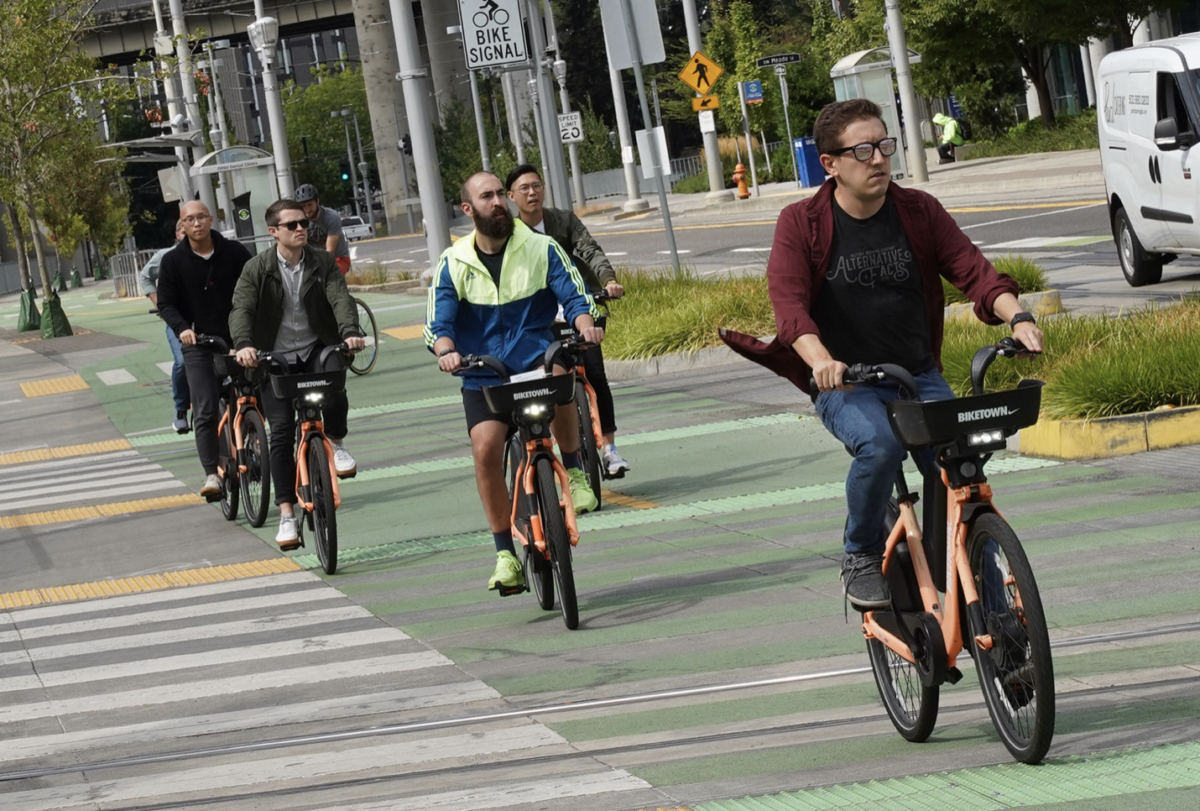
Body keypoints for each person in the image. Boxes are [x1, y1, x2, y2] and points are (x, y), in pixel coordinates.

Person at [722, 99, 1044, 611]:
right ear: (830, 164)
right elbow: (790, 310)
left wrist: (1017, 316)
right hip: (846, 384)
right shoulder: (801, 224)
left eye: (884, 145)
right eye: (863, 150)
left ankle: (999, 621)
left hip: (917, 376)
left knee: (959, 475)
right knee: (879, 444)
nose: (878, 159)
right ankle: (861, 552)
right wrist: (821, 360)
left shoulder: (918, 211)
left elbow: (974, 271)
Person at [425, 171, 603, 593]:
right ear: (468, 209)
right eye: (487, 196)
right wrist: (446, 350)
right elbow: (439, 322)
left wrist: (585, 323)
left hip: (534, 358)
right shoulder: (454, 262)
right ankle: (505, 553)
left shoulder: (541, 247)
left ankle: (575, 471)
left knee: (561, 372)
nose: (499, 201)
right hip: (484, 372)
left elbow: (575, 295)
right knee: (485, 448)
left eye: (501, 194)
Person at [229, 199, 364, 549]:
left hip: (316, 347)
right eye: (291, 225)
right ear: (273, 232)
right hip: (274, 356)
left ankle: (335, 439)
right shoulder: (257, 268)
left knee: (335, 385)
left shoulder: (322, 261)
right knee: (282, 434)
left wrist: (350, 331)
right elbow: (242, 307)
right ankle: (287, 514)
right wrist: (244, 344)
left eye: (303, 223)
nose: (301, 228)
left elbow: (339, 297)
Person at [505, 163, 632, 478]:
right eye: (525, 188)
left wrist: (608, 280)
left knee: (596, 374)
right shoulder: (510, 233)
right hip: (539, 315)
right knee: (537, 380)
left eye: (537, 185)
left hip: (580, 305)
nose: (532, 192)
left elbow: (589, 250)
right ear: (511, 196)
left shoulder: (563, 221)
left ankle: (610, 449)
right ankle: (541, 446)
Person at [156, 201, 254, 498]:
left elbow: (255, 287)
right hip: (199, 344)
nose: (196, 223)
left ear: (211, 219)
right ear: (181, 227)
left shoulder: (235, 253)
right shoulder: (173, 261)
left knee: (254, 397)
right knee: (206, 409)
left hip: (239, 340)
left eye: (201, 217)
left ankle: (256, 442)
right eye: (189, 219)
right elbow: (166, 304)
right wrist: (183, 328)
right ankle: (212, 474)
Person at [139, 221, 190, 433]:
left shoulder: (212, 252)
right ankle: (180, 409)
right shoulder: (165, 257)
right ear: (177, 234)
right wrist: (159, 303)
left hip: (207, 319)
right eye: (184, 232)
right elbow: (145, 276)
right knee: (182, 361)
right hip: (177, 321)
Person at [293, 183, 352, 274]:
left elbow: (330, 251)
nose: (307, 210)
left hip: (337, 258)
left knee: (328, 278)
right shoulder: (298, 220)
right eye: (303, 206)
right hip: (313, 260)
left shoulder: (331, 217)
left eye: (310, 205)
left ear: (317, 202)